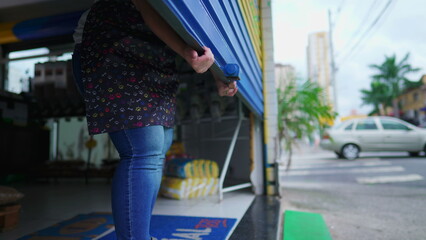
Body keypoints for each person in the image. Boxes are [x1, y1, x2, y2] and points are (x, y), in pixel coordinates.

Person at [72, 0, 238, 239]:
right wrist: (186, 53)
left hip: (154, 56)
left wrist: (216, 72)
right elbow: (145, 3)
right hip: (113, 43)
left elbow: (201, 26)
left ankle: (140, 234)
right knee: (143, 149)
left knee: (159, 147)